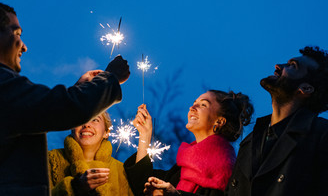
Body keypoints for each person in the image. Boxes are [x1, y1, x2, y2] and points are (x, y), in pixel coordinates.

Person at [0, 0, 129, 195]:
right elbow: (58, 108)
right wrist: (111, 79)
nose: (24, 47)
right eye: (17, 34)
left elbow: (40, 109)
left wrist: (79, 88)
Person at [225, 46, 328, 196]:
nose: (278, 66)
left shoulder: (321, 136)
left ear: (305, 88)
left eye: (292, 66)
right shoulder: (250, 140)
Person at [124, 90, 254, 196]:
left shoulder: (226, 169)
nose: (192, 107)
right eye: (194, 103)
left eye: (203, 104)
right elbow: (141, 184)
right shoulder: (183, 168)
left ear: (219, 122)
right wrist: (145, 134)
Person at [48, 111, 134, 196]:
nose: (86, 124)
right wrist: (75, 187)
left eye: (95, 120)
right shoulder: (50, 160)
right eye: (81, 119)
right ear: (72, 128)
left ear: (106, 132)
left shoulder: (121, 171)